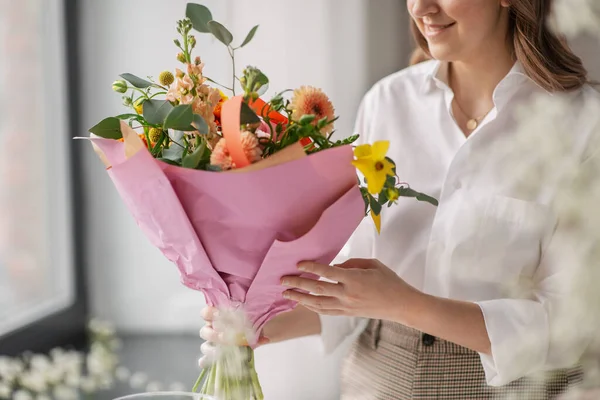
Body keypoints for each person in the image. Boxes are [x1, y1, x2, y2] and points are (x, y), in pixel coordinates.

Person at [201, 0, 600, 398]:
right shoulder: (387, 102)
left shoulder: (585, 124)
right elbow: (350, 285)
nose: (421, 7)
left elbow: (570, 326)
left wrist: (404, 304)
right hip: (376, 379)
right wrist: (255, 323)